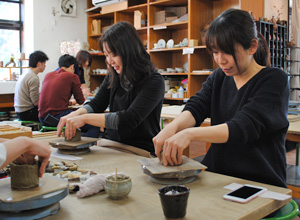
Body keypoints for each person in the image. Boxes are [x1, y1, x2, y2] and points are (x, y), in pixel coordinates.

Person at [153, 9, 289, 188]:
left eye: (227, 52)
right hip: (219, 177)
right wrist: (173, 128)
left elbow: (242, 127)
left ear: (252, 46)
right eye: (215, 52)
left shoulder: (274, 80)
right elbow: (197, 106)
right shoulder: (219, 77)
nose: (220, 60)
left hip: (259, 182)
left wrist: (189, 133)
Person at [57, 21, 165, 155]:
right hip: (111, 144)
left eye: (114, 54)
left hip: (139, 150)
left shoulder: (154, 81)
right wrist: (74, 114)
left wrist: (84, 119)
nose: (109, 61)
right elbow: (97, 104)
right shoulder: (114, 75)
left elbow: (129, 119)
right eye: (106, 55)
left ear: (130, 51)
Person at [38, 54, 85, 126]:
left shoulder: (48, 75)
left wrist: (69, 103)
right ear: (72, 66)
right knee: (92, 123)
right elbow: (81, 101)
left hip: (41, 118)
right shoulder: (72, 76)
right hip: (56, 117)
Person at [14, 51, 49, 121]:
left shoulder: (26, 74)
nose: (45, 66)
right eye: (44, 63)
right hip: (27, 112)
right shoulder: (33, 77)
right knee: (52, 114)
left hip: (20, 111)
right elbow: (36, 102)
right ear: (39, 64)